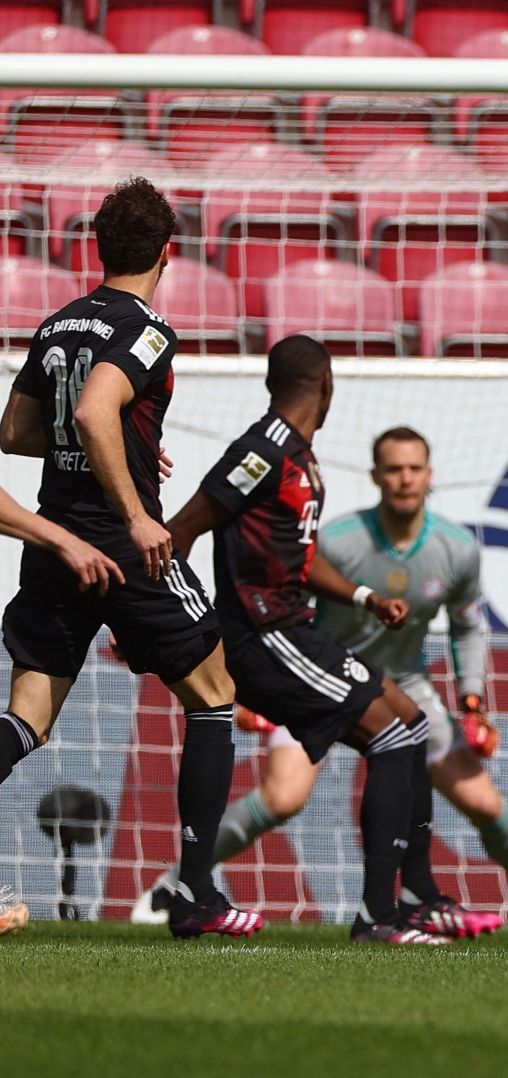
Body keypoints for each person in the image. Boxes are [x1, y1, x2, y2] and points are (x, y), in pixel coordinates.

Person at [136, 428, 508, 928]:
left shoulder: (457, 550)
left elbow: (466, 628)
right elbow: (282, 610)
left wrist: (473, 701)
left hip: (406, 685)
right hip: (321, 676)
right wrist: (267, 692)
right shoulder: (339, 541)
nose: (404, 479)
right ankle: (177, 885)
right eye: (394, 469)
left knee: (482, 800)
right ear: (376, 476)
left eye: (414, 468)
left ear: (430, 475)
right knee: (282, 797)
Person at [165, 335, 505, 944]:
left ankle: (417, 897)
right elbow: (183, 529)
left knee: (411, 724)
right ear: (327, 386)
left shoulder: (299, 456)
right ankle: (378, 915)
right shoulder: (263, 451)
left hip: (291, 629)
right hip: (265, 634)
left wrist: (363, 596)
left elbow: (298, 557)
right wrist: (169, 619)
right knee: (394, 735)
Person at [0, 178, 262, 939]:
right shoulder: (147, 329)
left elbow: (17, 433)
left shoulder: (57, 324)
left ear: (99, 247)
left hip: (54, 539)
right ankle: (196, 895)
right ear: (167, 254)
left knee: (27, 719)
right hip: (121, 545)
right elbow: (92, 411)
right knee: (214, 694)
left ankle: (196, 893)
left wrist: (130, 448)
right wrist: (137, 510)